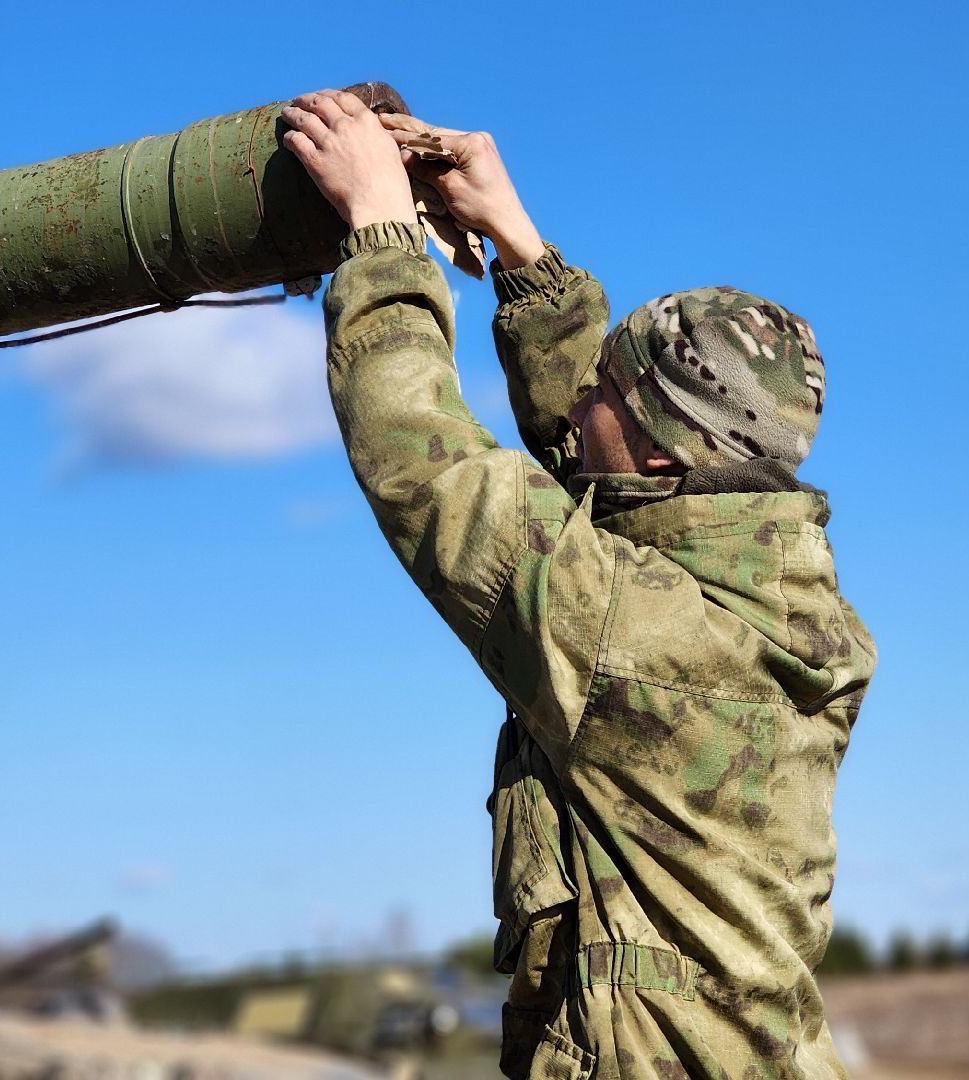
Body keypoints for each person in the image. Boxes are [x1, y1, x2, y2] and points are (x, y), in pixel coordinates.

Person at [279, 89, 876, 1080]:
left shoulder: (643, 641)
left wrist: (384, 239)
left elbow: (431, 474)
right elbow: (600, 474)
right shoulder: (763, 602)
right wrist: (517, 245)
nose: (582, 395)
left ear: (659, 456)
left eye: (606, 385)